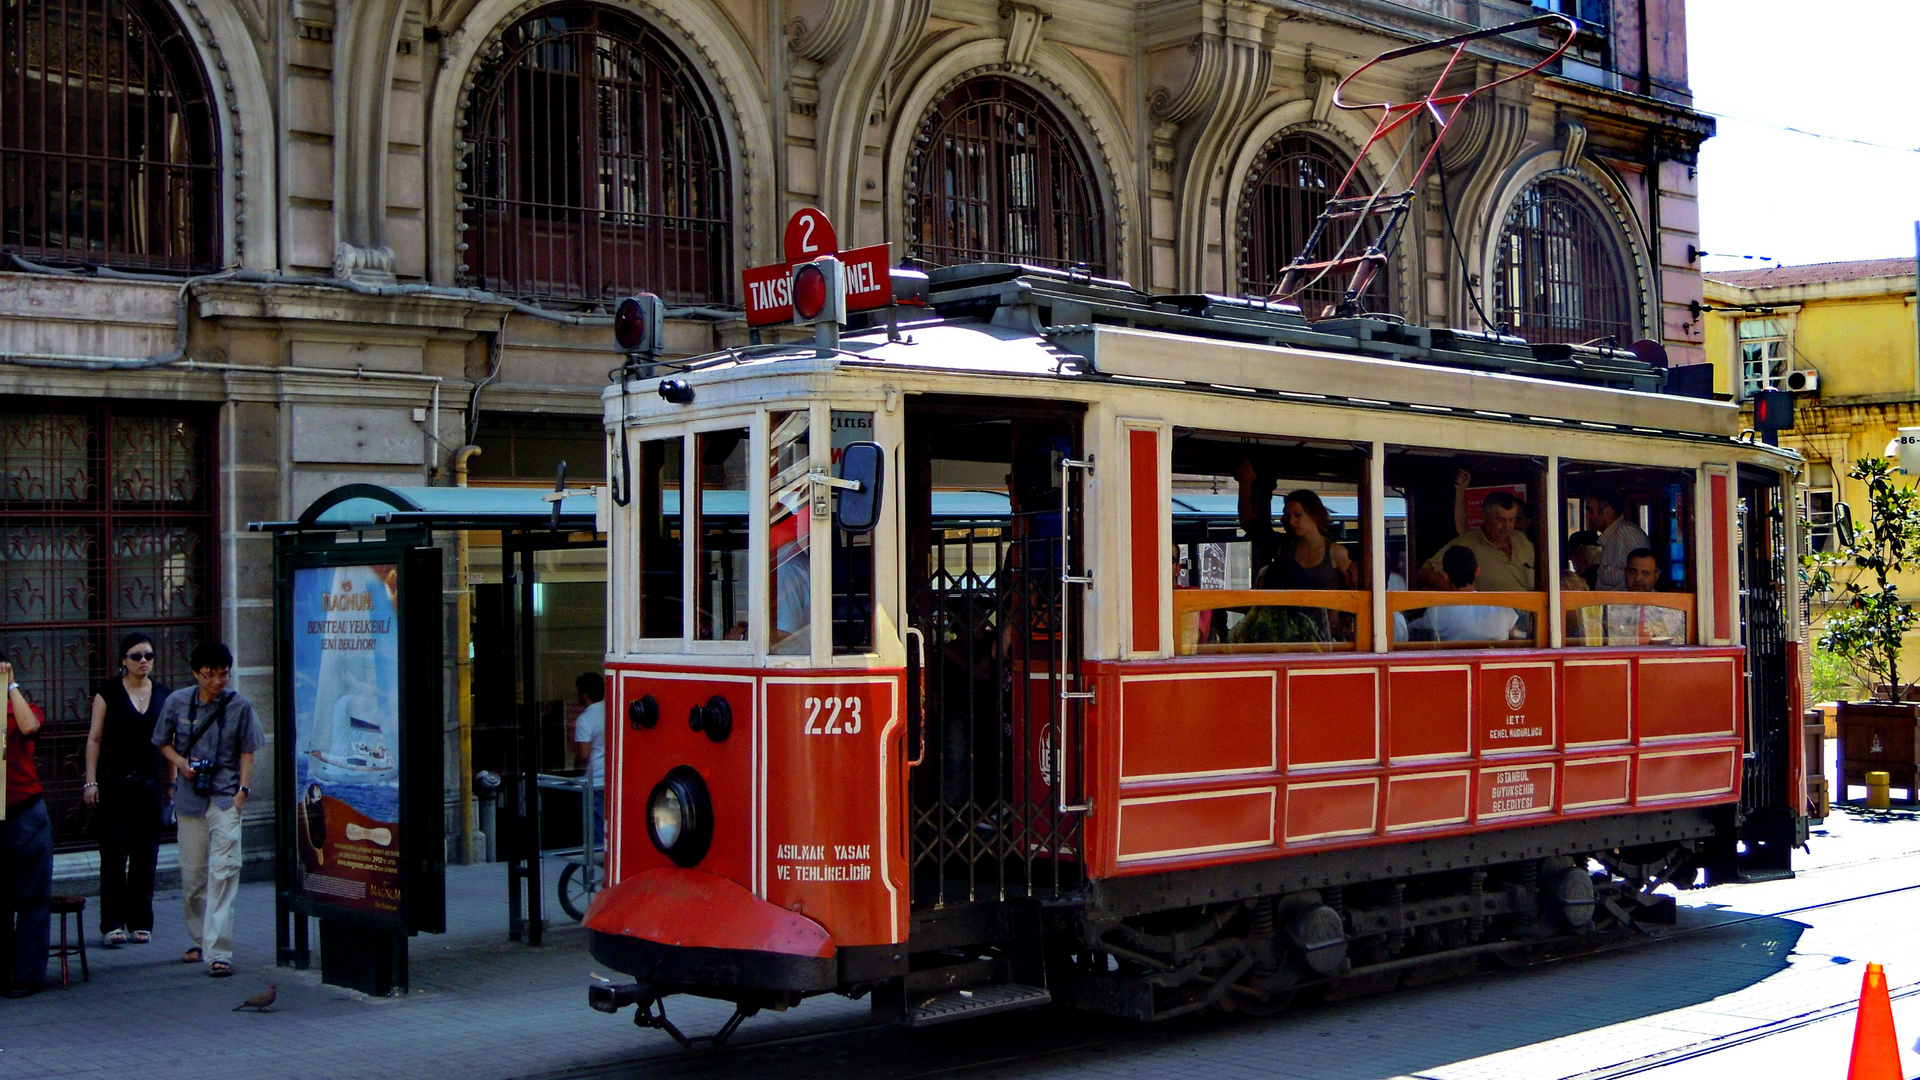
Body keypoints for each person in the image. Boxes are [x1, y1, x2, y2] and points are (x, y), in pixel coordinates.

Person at [152, 642, 264, 977]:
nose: (217, 681)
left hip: (225, 798)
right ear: (195, 673)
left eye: (223, 674)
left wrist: (243, 792)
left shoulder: (240, 706)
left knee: (225, 873)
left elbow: (248, 750)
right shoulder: (177, 701)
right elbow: (161, 741)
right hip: (189, 800)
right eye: (209, 674)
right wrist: (180, 764)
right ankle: (201, 939)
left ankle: (219, 952)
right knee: (193, 877)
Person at [83, 633, 172, 947]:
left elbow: (168, 743)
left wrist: (171, 783)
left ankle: (141, 922)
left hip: (150, 786)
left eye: (148, 655)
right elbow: (94, 739)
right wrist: (90, 781)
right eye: (136, 656)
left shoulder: (163, 694)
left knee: (146, 856)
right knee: (114, 854)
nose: (143, 661)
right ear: (123, 660)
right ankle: (112, 924)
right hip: (114, 784)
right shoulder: (107, 692)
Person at [1232, 487, 1358, 644]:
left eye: (1298, 515)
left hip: (1324, 634)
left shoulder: (1335, 552)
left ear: (1314, 514)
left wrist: (1340, 614)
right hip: (1286, 632)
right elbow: (1250, 525)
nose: (1292, 521)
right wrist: (1246, 483)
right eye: (1288, 516)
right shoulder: (1284, 547)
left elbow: (1355, 585)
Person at [0, 661, 50, 997]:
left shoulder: (19, 708)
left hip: (25, 814)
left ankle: (29, 976)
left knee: (32, 899)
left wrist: (10, 687)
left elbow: (31, 727)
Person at [1419, 490, 1536, 593]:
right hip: (1488, 616)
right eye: (1501, 519)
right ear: (1485, 517)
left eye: (1512, 520)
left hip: (1533, 613)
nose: (1507, 526)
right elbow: (1425, 572)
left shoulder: (1521, 539)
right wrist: (1459, 595)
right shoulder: (1466, 543)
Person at [1410, 546, 1521, 643]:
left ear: (1445, 576)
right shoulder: (1500, 607)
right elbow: (1518, 636)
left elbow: (1412, 632)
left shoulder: (1436, 612)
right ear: (1477, 571)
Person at [1586, 487, 1650, 590]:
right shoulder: (1611, 539)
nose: (1588, 517)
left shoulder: (1627, 535)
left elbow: (1641, 583)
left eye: (1591, 511)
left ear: (1608, 512)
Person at [572, 672, 607, 849]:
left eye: (578, 691)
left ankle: (600, 868)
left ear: (585, 694)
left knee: (595, 831)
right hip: (609, 779)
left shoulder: (585, 720)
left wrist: (575, 772)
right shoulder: (611, 711)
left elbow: (584, 755)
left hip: (591, 781)